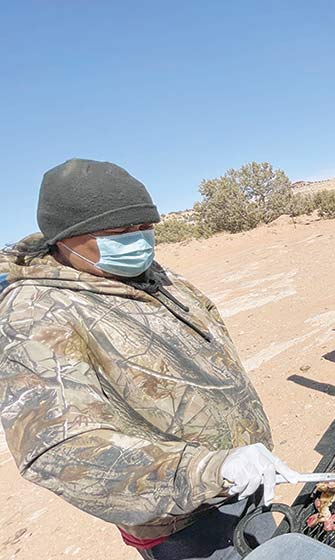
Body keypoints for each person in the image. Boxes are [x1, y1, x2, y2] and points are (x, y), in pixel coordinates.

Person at [0, 159, 300, 559]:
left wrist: (237, 461)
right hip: (181, 522)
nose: (138, 240)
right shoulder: (36, 312)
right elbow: (61, 449)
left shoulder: (152, 277)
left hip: (242, 484)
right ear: (65, 238)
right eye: (118, 232)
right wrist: (208, 469)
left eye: (144, 227)